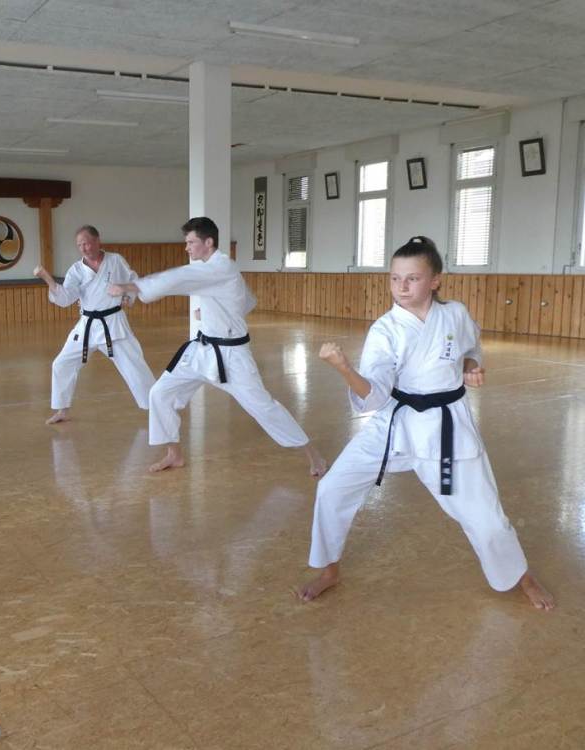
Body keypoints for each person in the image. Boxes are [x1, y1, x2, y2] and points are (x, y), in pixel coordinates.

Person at [298, 236, 554, 610]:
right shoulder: (385, 330)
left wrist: (470, 366)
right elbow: (375, 396)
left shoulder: (455, 315)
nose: (401, 287)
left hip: (446, 426)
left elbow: (471, 347)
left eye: (412, 278)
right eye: (395, 278)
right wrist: (344, 368)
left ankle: (523, 577)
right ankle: (329, 569)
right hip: (395, 423)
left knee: (484, 512)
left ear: (435, 280)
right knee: (333, 488)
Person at [108, 216, 327, 476]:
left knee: (263, 407)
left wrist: (131, 286)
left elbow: (178, 278)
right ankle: (174, 454)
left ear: (208, 242)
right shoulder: (214, 269)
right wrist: (217, 313)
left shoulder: (221, 266)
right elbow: (245, 299)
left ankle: (314, 455)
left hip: (232, 357)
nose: (187, 248)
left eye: (191, 242)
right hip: (201, 350)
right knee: (160, 394)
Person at [34, 225, 155, 425]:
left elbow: (132, 279)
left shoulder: (115, 261)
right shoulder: (76, 270)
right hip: (87, 326)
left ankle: (156, 408)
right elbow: (65, 298)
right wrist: (48, 280)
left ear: (97, 241)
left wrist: (128, 295)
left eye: (87, 243)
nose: (84, 248)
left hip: (114, 324)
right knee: (62, 364)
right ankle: (62, 410)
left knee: (134, 365)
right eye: (79, 245)